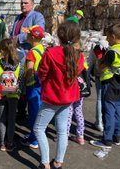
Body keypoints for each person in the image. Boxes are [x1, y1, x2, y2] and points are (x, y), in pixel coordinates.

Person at [33, 21, 85, 169]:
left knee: (38, 128)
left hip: (52, 97)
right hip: (68, 98)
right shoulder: (79, 56)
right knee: (62, 131)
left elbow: (42, 74)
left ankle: (45, 163)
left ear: (59, 36)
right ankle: (58, 162)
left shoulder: (50, 52)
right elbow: (78, 72)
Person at [90, 24, 120, 149]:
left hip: (109, 83)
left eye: (108, 37)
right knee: (118, 111)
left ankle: (107, 140)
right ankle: (117, 137)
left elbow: (102, 68)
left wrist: (100, 56)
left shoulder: (112, 52)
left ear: (112, 36)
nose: (107, 40)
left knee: (108, 112)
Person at [10, 0, 45, 119]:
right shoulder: (18, 18)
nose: (23, 5)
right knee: (17, 81)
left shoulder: (37, 16)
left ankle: (25, 111)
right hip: (16, 53)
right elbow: (12, 34)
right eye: (21, 3)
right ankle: (18, 108)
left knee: (26, 82)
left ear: (32, 4)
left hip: (28, 54)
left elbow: (40, 31)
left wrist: (19, 38)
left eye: (25, 3)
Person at [0, 38, 23, 152]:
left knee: (1, 118)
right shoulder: (18, 63)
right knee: (11, 119)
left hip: (0, 93)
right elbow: (20, 79)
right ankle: (10, 142)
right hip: (14, 94)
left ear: (1, 49)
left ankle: (1, 143)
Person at [19, 25, 45, 149]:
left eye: (28, 34)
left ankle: (34, 140)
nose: (26, 36)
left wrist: (23, 81)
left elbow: (29, 71)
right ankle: (35, 135)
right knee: (39, 111)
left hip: (32, 86)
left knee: (33, 113)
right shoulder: (42, 49)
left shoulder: (31, 53)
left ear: (33, 37)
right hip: (41, 85)